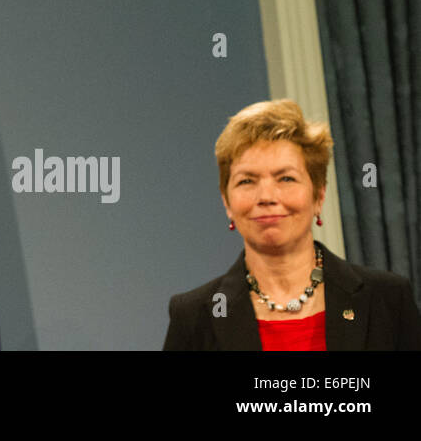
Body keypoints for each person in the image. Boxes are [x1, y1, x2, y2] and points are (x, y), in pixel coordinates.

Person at [163, 98, 421, 350]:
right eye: (247, 181)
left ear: (318, 195)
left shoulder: (387, 299)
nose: (266, 197)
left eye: (285, 178)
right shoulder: (194, 317)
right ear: (227, 202)